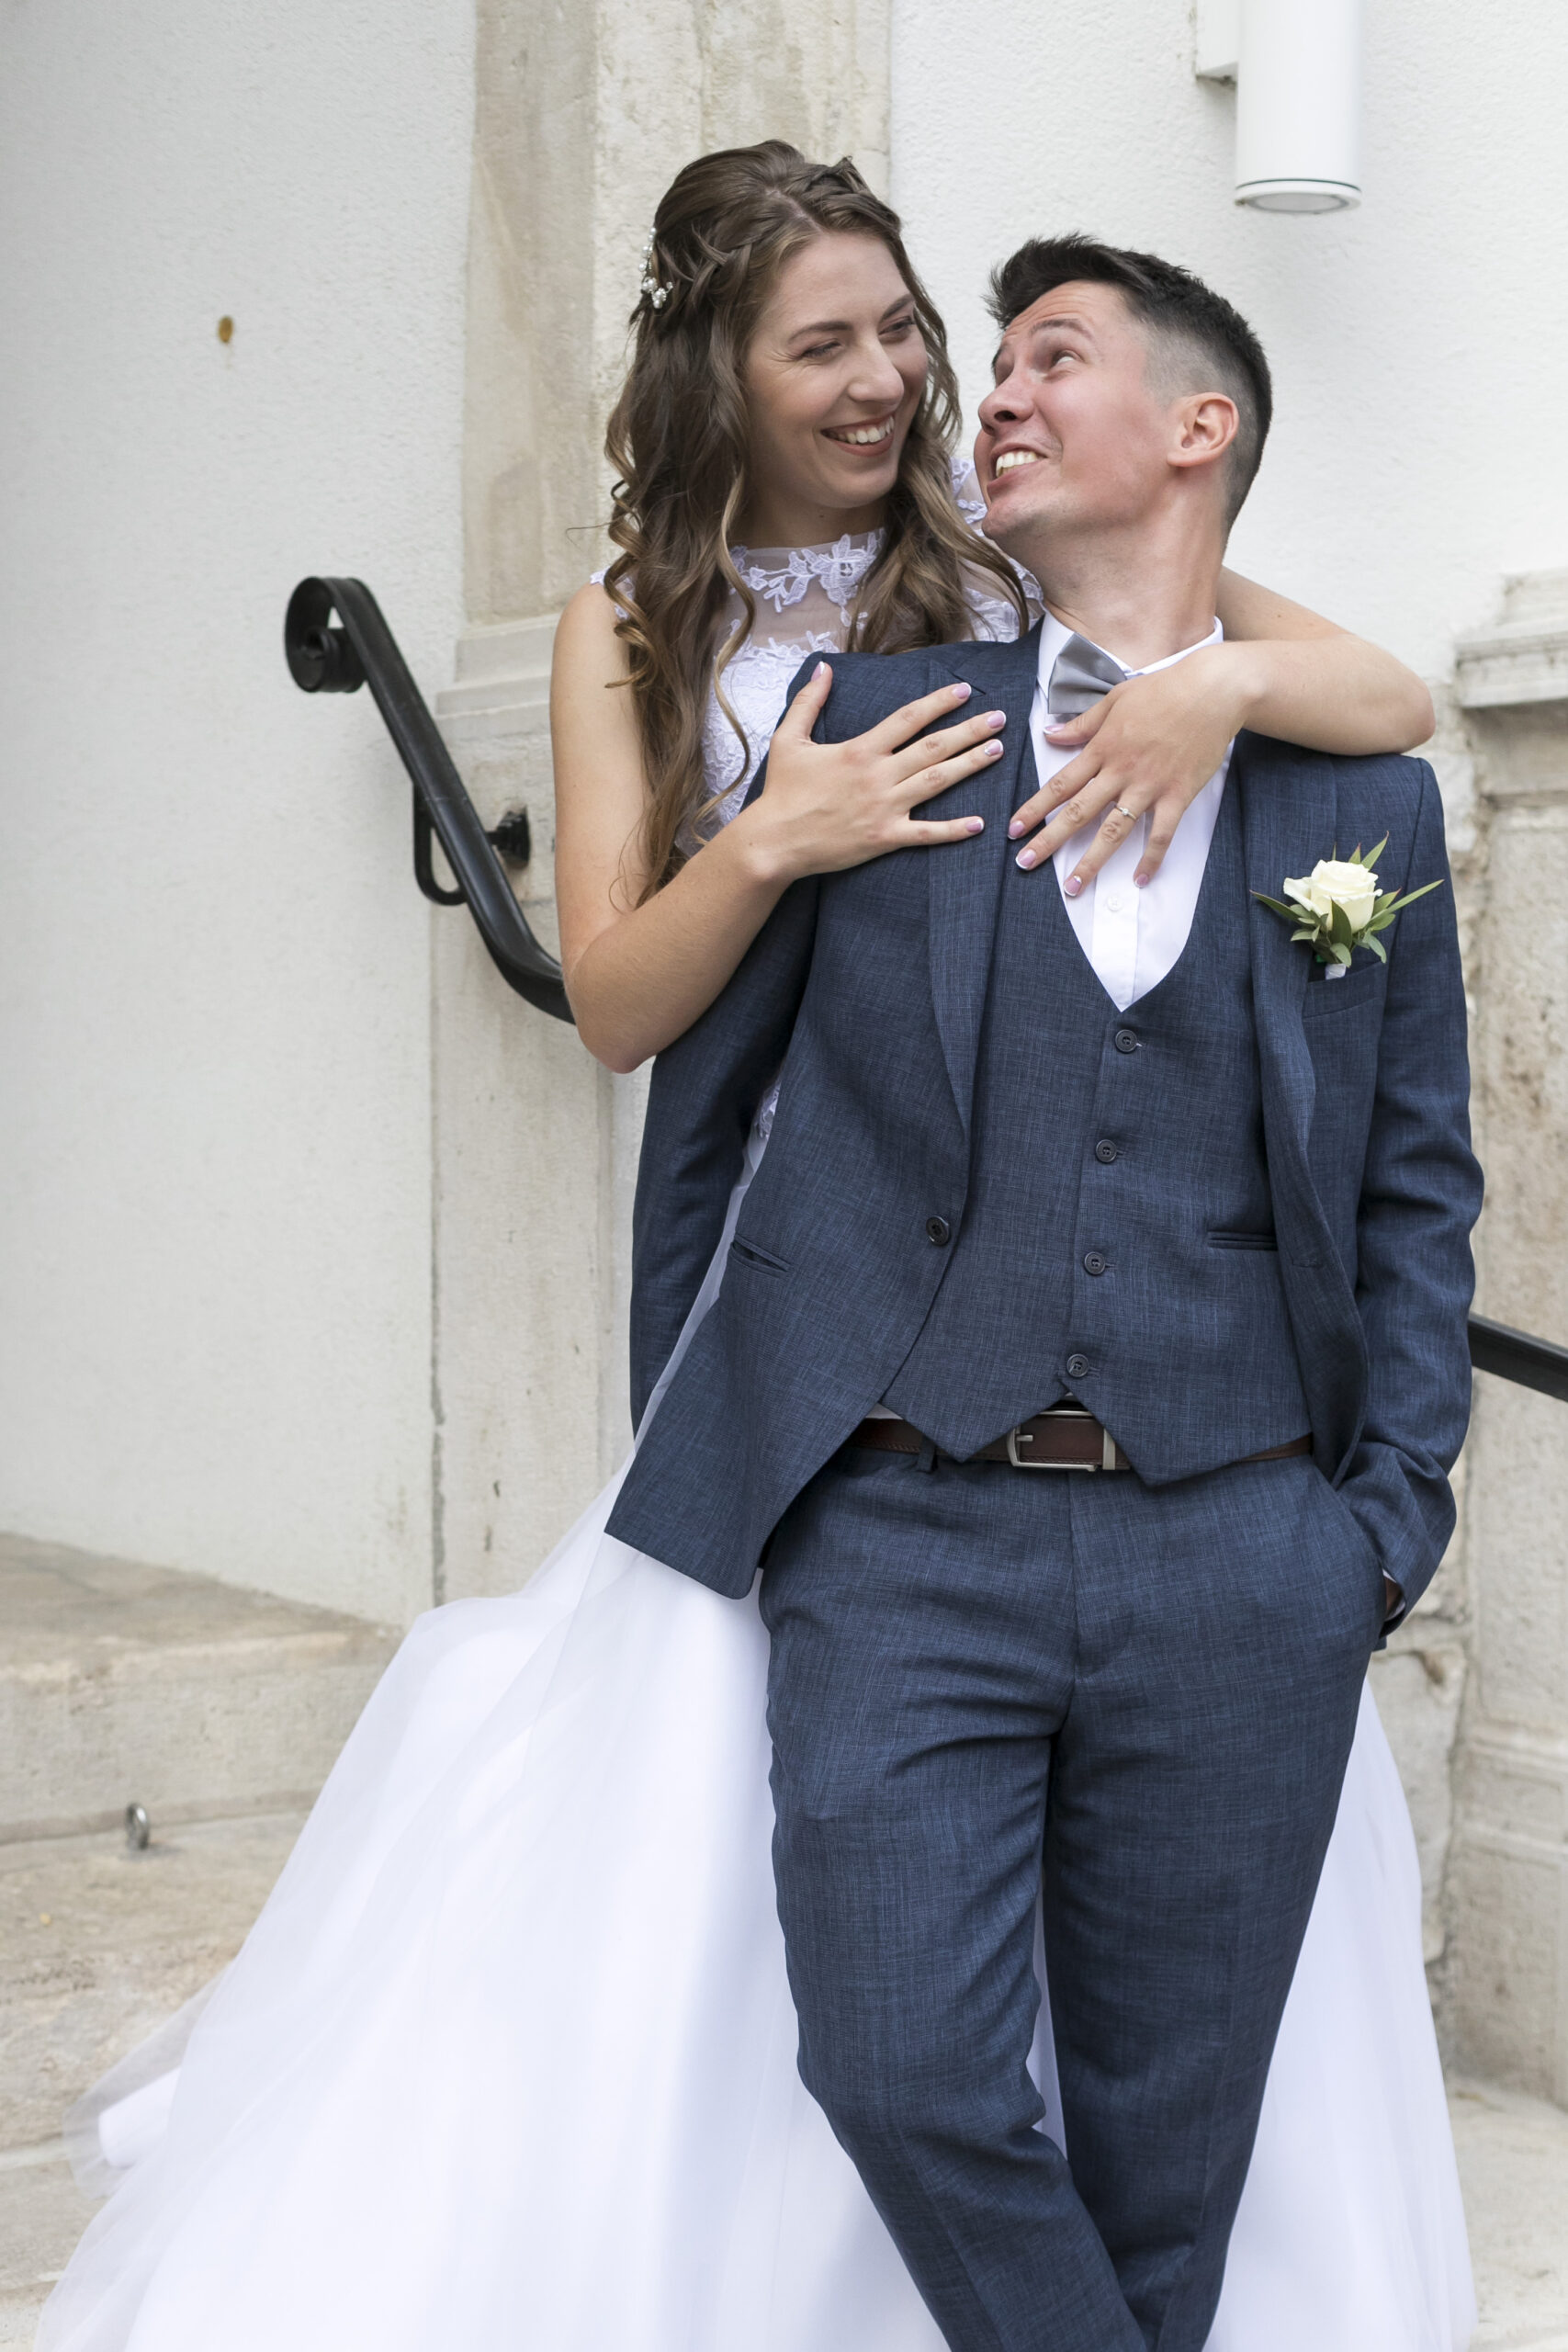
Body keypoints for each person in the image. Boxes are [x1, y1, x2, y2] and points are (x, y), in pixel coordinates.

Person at [36, 149, 1472, 2352]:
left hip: (1211, 1497)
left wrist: (1208, 695)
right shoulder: (658, 631)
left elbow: (1360, 714)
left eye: (913, 332)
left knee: (1160, 2118)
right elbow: (640, 1033)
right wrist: (777, 835)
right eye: (833, 344)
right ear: (721, 369)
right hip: (867, 1399)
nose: (903, 380)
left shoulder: (994, 554)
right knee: (861, 2044)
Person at [605, 220, 1483, 2351]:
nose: (985, 390)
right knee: (896, 2063)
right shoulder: (870, 724)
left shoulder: (1353, 795)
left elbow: (1410, 1192)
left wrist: (1373, 1532)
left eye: (1049, 356)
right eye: (985, 362)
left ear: (1195, 427)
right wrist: (751, 1477)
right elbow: (699, 1129)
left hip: (1244, 1549)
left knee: (1168, 2170)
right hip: (902, 1532)